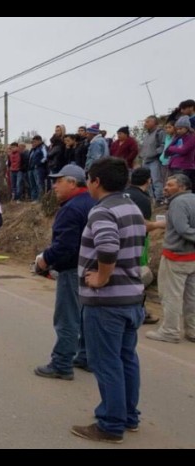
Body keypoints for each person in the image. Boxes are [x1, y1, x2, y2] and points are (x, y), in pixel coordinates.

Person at [70, 157, 146, 444]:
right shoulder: (131, 207)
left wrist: (100, 279)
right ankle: (129, 416)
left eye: (88, 178)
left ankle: (110, 425)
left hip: (107, 303)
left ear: (96, 181)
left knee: (106, 363)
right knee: (127, 359)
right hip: (131, 298)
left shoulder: (102, 211)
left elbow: (108, 246)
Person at [34, 165, 95, 380]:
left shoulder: (71, 208)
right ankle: (86, 356)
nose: (54, 185)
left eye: (58, 181)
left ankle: (62, 363)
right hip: (92, 269)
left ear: (72, 182)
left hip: (72, 269)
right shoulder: (93, 203)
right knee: (85, 314)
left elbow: (65, 246)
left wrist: (45, 260)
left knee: (67, 317)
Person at [145, 174, 195, 343]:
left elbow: (182, 228)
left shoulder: (178, 203)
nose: (165, 187)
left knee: (171, 295)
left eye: (170, 184)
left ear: (182, 187)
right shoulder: (192, 199)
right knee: (191, 296)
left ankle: (170, 331)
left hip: (177, 256)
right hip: (192, 257)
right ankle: (192, 330)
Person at [123, 167, 159, 325]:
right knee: (137, 275)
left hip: (120, 240)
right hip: (137, 243)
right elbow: (143, 224)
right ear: (148, 181)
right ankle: (138, 310)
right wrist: (160, 224)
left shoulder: (123, 193)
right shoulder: (143, 199)